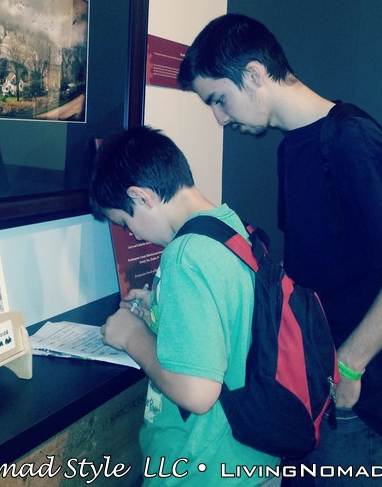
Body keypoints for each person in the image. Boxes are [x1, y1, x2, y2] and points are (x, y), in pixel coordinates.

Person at [176, 14, 382, 485]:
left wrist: (349, 366)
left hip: (362, 399)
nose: (220, 118)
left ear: (254, 74)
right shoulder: (292, 148)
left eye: (219, 99)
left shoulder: (352, 139)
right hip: (315, 386)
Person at [91, 125, 280, 486]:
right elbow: (229, 314)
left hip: (203, 470)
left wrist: (133, 336)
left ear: (141, 196)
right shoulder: (229, 226)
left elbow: (197, 394)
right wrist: (163, 306)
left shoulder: (184, 256)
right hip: (250, 462)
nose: (133, 234)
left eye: (125, 222)